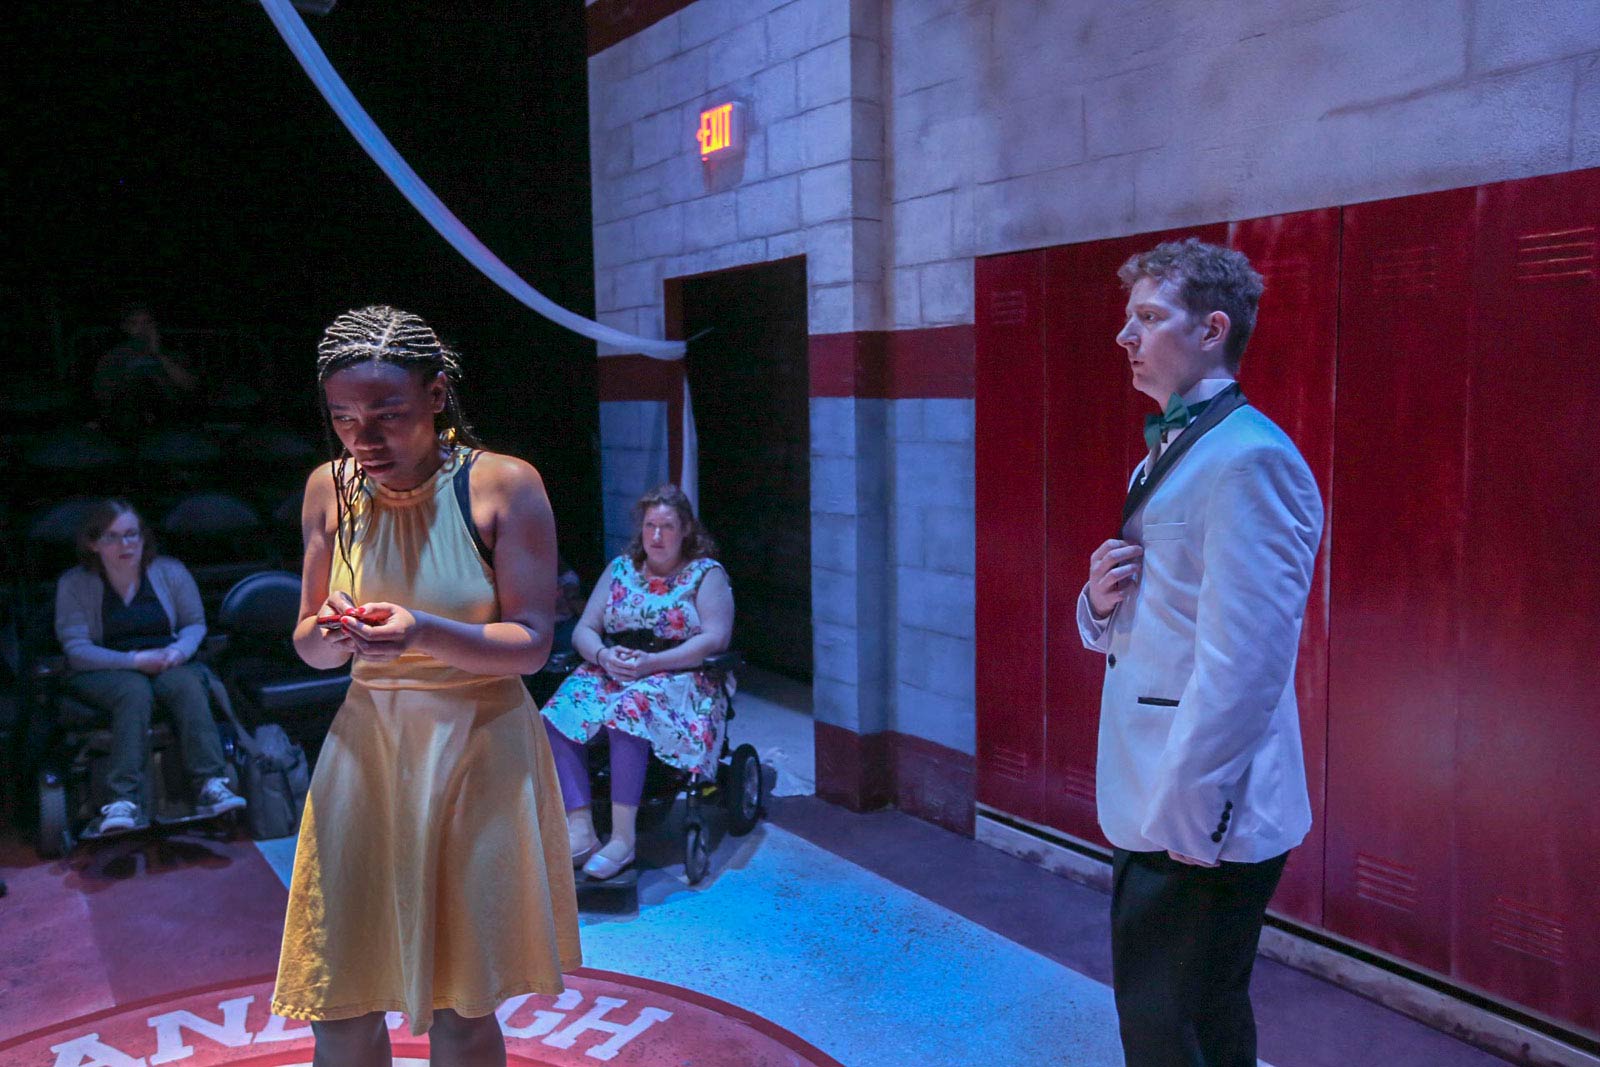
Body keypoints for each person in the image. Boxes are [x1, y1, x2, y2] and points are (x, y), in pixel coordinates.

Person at [271, 305, 580, 1067]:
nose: (362, 439)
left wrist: (423, 632)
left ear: (437, 395)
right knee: (337, 1003)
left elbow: (533, 645)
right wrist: (331, 632)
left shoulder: (503, 483)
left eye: (387, 414)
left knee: (461, 1009)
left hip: (477, 748)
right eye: (342, 418)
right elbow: (309, 644)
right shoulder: (329, 488)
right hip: (368, 748)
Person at [1078, 239, 1323, 1067]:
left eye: (1148, 318)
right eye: (1127, 318)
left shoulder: (1250, 458)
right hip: (1161, 788)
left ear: (1213, 328)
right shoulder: (1170, 450)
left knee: (1167, 1026)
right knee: (1194, 1015)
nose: (1126, 336)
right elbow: (1166, 620)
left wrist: (1188, 820)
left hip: (1198, 807)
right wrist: (1096, 604)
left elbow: (1246, 663)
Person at [541, 484, 734, 881]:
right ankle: (581, 828)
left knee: (629, 711)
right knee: (558, 712)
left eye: (667, 527)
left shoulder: (704, 574)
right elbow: (585, 629)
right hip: (618, 665)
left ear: (685, 531)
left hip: (680, 674)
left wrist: (653, 663)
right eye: (650, 526)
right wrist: (603, 655)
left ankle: (623, 839)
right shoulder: (621, 569)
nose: (657, 536)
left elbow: (715, 638)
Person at [54, 499, 247, 834]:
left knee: (186, 683)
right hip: (105, 668)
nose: (125, 545)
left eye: (132, 535)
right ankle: (122, 800)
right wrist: (133, 661)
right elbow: (77, 649)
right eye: (113, 537)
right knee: (133, 690)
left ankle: (210, 783)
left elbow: (194, 624)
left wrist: (178, 652)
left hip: (164, 658)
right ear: (93, 543)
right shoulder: (74, 584)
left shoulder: (170, 572)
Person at [92, 303, 198, 437]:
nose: (143, 329)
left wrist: (158, 354)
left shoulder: (173, 355)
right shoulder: (113, 357)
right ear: (125, 328)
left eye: (147, 323)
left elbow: (190, 386)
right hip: (125, 421)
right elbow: (104, 396)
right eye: (135, 323)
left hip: (169, 420)